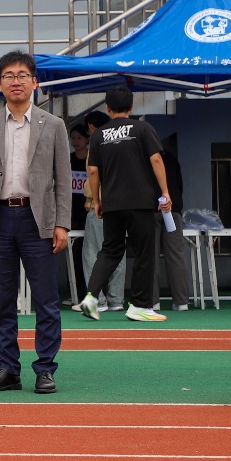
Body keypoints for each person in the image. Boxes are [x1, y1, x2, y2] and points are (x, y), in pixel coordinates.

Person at [0, 51, 70, 395]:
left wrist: (62, 223)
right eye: (8, 76)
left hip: (37, 219)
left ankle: (45, 369)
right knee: (2, 300)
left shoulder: (53, 125)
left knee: (46, 299)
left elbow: (62, 178)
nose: (16, 81)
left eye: (22, 75)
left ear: (34, 82)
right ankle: (8, 368)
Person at [77, 86, 172, 323]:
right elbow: (156, 159)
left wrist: (97, 200)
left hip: (111, 203)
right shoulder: (142, 128)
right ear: (131, 106)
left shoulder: (98, 135)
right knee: (144, 252)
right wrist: (165, 191)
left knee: (109, 251)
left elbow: (92, 171)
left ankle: (91, 297)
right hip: (140, 201)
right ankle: (139, 305)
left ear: (107, 108)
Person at [74, 110, 125, 314]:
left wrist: (93, 199)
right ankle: (116, 299)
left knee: (92, 254)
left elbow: (93, 174)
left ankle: (96, 299)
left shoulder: (97, 143)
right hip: (121, 205)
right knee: (117, 252)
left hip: (101, 205)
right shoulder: (122, 143)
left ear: (91, 128)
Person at [154, 146, 190, 311]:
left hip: (150, 210)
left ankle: (152, 301)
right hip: (172, 209)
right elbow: (179, 185)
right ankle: (181, 302)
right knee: (176, 255)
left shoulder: (142, 157)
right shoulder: (170, 157)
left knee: (150, 255)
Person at [68, 122, 90, 300]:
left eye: (79, 138)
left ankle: (95, 292)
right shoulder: (68, 160)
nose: (75, 141)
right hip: (73, 212)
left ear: (87, 139)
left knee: (93, 254)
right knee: (75, 255)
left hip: (91, 211)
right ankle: (77, 293)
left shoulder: (93, 160)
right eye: (73, 138)